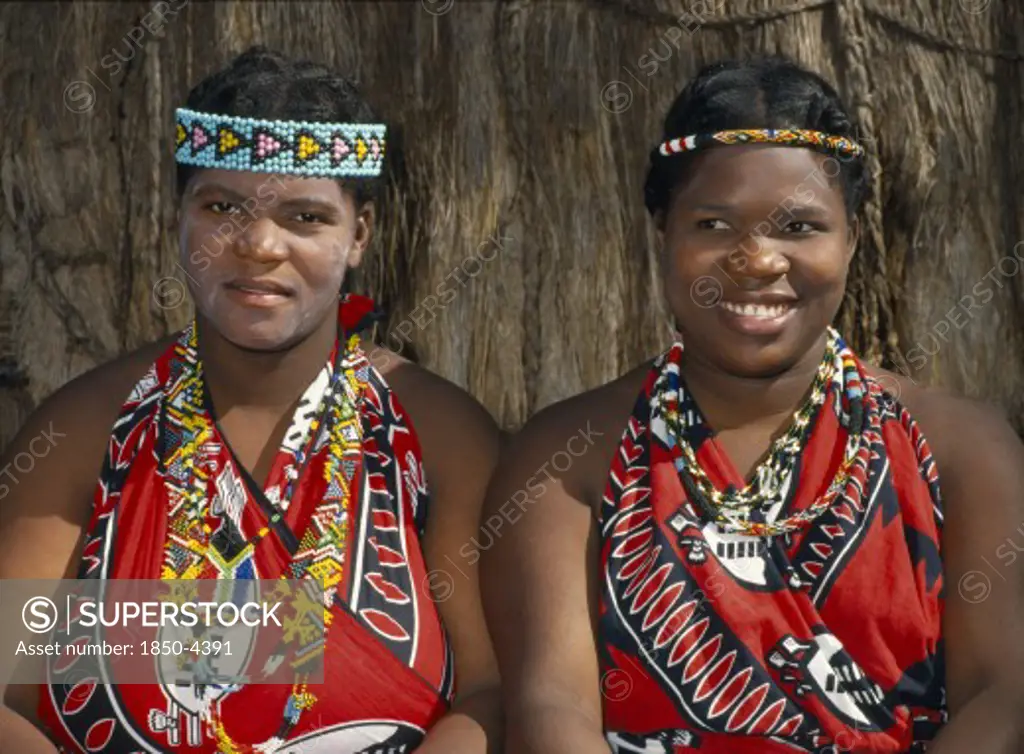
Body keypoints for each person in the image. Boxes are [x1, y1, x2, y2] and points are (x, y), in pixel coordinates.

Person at [481, 56, 1024, 754]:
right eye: (713, 225)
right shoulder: (568, 457)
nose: (758, 259)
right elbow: (551, 703)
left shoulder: (960, 447)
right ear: (662, 235)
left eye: (799, 227)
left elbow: (1003, 694)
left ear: (852, 239)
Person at [0, 47, 502, 753]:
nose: (260, 244)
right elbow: (7, 694)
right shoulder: (86, 434)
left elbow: (492, 692)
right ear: (177, 216)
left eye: (304, 217)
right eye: (223, 207)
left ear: (358, 235)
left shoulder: (437, 436)